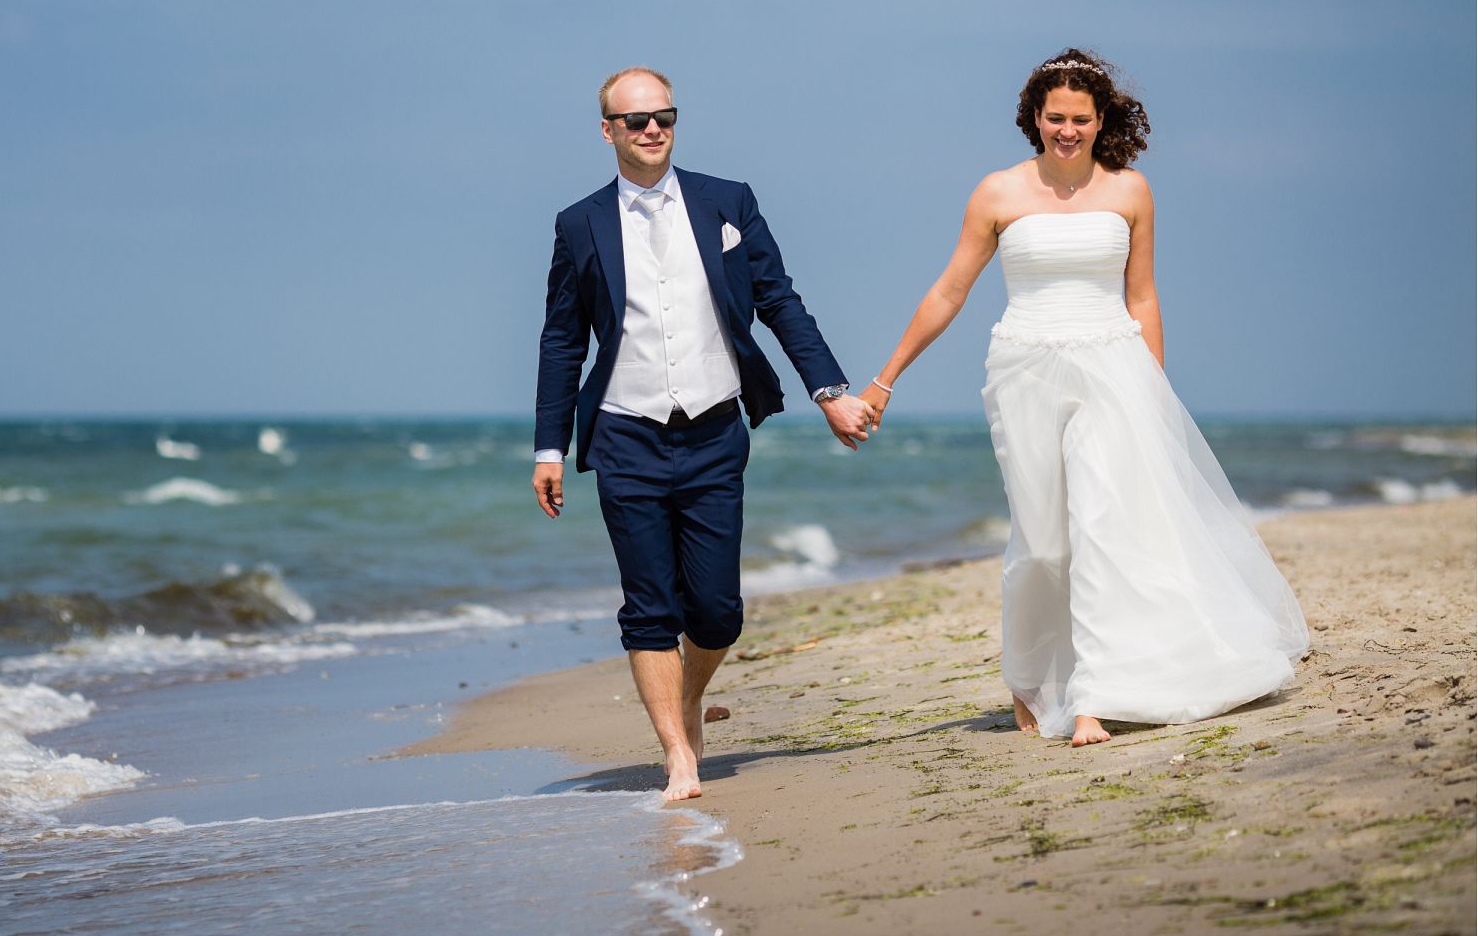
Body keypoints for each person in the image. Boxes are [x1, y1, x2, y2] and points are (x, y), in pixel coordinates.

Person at [859, 48, 1310, 747]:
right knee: (1043, 544)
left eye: (1080, 119)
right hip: (1023, 370)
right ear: (1033, 120)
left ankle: (1095, 697)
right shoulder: (997, 194)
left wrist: (1154, 391)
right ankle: (1029, 675)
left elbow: (1143, 295)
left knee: (1104, 528)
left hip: (1113, 366)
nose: (1066, 130)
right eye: (1054, 118)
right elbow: (949, 290)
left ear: (1102, 122)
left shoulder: (1131, 190)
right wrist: (885, 379)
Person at [533, 66, 875, 800]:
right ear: (608, 131)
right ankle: (678, 755)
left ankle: (688, 694)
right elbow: (563, 341)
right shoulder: (578, 224)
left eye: (664, 116)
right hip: (625, 434)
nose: (652, 128)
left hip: (715, 430)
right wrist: (549, 447)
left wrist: (830, 391)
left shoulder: (728, 201)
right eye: (635, 120)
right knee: (649, 604)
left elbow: (780, 300)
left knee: (718, 613)